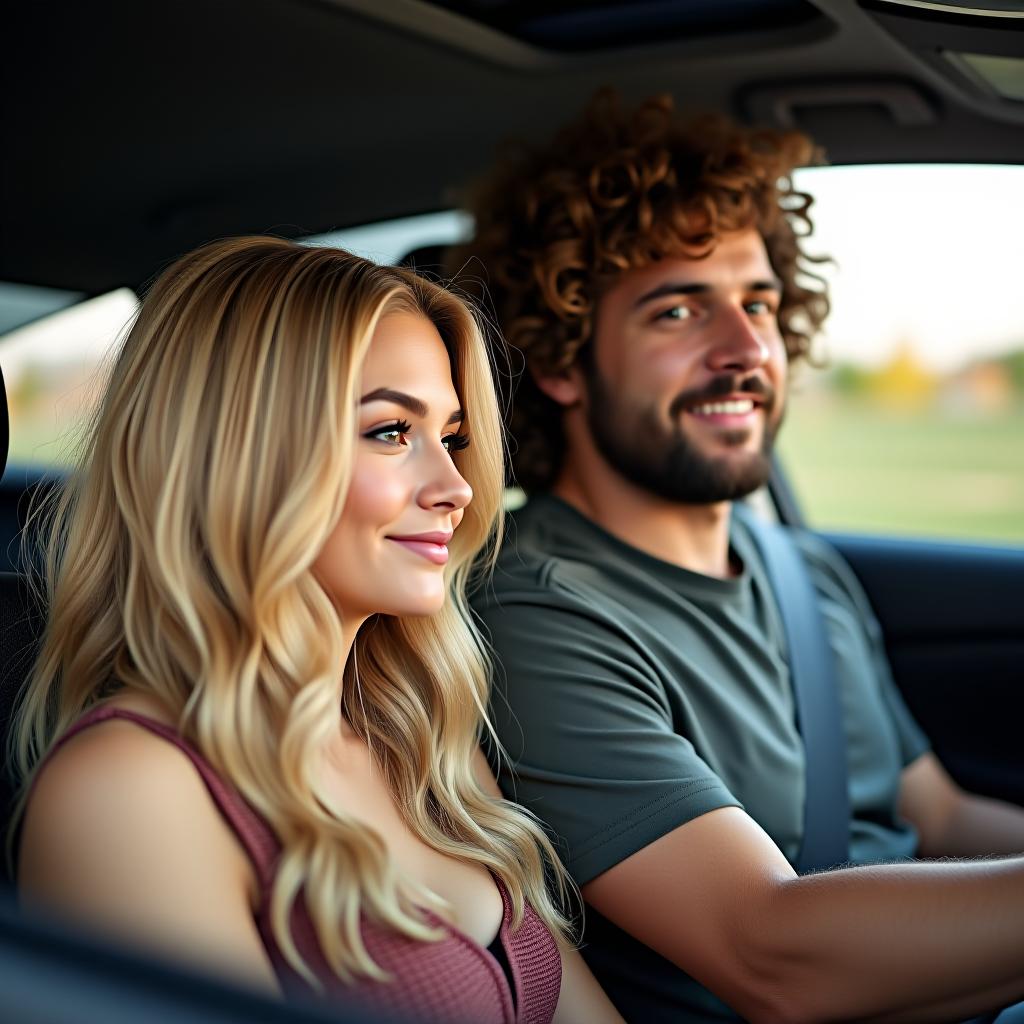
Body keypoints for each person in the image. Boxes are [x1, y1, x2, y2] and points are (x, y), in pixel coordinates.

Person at [457, 92, 1024, 1023]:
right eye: (679, 311)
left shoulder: (804, 574)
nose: (746, 348)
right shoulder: (534, 616)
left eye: (758, 302)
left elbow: (943, 818)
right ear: (561, 358)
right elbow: (769, 954)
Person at [8, 237, 624, 1024]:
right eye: (391, 432)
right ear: (242, 456)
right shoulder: (129, 791)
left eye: (452, 436)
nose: (457, 488)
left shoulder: (422, 742)